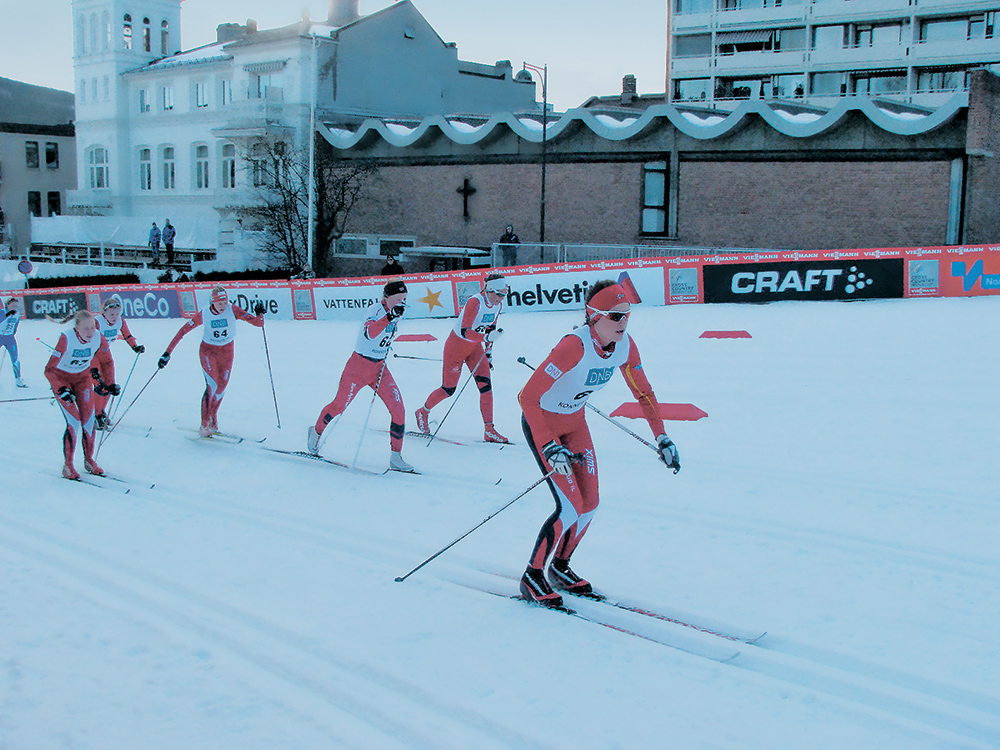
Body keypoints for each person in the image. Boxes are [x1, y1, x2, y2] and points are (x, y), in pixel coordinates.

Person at [516, 280, 681, 608]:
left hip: (575, 424)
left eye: (628, 315)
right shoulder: (573, 347)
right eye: (616, 316)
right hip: (544, 424)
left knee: (590, 504)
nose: (624, 323)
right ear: (594, 316)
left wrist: (661, 436)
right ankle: (532, 576)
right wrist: (549, 444)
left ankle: (560, 568)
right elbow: (528, 397)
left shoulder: (625, 347)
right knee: (569, 506)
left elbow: (643, 393)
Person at [307, 280, 416, 473]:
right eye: (397, 299)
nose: (401, 303)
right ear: (386, 298)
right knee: (339, 405)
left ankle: (396, 457)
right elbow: (370, 333)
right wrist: (389, 317)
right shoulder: (376, 310)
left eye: (404, 299)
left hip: (380, 369)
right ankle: (315, 432)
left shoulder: (396, 313)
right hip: (358, 367)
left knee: (398, 410)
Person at [157, 286, 265, 437]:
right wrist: (167, 353)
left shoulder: (232, 309)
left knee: (221, 389)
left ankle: (213, 421)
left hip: (227, 351)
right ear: (212, 302)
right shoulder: (205, 313)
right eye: (219, 303)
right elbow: (183, 331)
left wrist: (260, 314)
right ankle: (204, 424)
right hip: (209, 352)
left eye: (224, 302)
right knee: (212, 386)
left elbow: (258, 323)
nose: (222, 306)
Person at [415, 273, 510, 443]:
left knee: (486, 386)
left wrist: (488, 352)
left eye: (505, 294)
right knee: (448, 389)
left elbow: (490, 330)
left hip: (475, 348)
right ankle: (423, 412)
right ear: (490, 290)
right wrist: (486, 339)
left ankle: (489, 429)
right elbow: (466, 331)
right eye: (500, 294)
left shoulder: (498, 305)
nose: (502, 298)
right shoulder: (475, 302)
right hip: (456, 347)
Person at [44, 310, 118, 479]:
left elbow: (107, 361)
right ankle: (68, 466)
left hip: (82, 379)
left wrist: (110, 383)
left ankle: (89, 460)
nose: (90, 332)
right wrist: (61, 389)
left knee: (89, 420)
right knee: (74, 421)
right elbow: (49, 370)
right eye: (86, 329)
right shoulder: (66, 338)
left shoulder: (99, 337)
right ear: (76, 328)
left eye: (92, 327)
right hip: (62, 380)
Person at [92, 295, 145, 430]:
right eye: (111, 314)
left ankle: (100, 411)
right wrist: (92, 369)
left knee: (111, 386)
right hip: (93, 356)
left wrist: (135, 347)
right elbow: (87, 344)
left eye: (117, 313)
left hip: (106, 356)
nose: (114, 316)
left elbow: (127, 335)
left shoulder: (120, 321)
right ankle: (96, 415)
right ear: (104, 312)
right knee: (100, 386)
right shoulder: (97, 322)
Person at [1, 297, 26, 387]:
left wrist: (12, 334)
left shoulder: (17, 314)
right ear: (7, 305)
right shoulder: (2, 312)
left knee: (15, 358)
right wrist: (8, 314)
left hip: (10, 338)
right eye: (12, 305)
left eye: (16, 306)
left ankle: (18, 379)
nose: (14, 307)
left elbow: (16, 326)